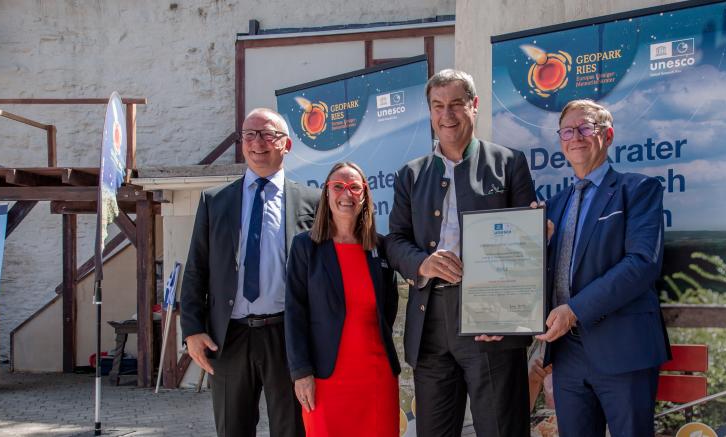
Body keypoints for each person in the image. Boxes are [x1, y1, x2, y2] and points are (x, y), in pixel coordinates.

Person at [386, 69, 536, 437]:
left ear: (474, 105)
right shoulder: (410, 175)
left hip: (491, 321)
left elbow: (526, 245)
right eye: (437, 106)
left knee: (501, 429)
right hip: (431, 320)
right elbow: (395, 241)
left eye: (455, 104)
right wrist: (423, 263)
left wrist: (506, 316)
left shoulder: (509, 163)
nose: (446, 114)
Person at [180, 108, 321, 437]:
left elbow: (323, 278)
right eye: (249, 135)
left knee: (292, 430)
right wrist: (192, 330)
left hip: (287, 337)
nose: (258, 143)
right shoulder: (214, 201)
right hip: (229, 339)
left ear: (286, 145)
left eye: (268, 134)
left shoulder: (313, 203)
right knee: (233, 429)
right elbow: (196, 269)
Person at [535, 100, 671, 437]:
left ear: (607, 136)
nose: (576, 137)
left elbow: (641, 264)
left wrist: (574, 310)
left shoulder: (638, 190)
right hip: (567, 354)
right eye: (568, 131)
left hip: (623, 349)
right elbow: (543, 274)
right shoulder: (553, 206)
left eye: (585, 128)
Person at [285, 162, 400, 437]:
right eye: (338, 186)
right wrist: (301, 373)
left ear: (365, 195)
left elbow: (389, 307)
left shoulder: (380, 247)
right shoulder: (305, 247)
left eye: (354, 187)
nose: (346, 194)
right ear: (326, 192)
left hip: (377, 378)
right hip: (324, 380)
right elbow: (295, 314)